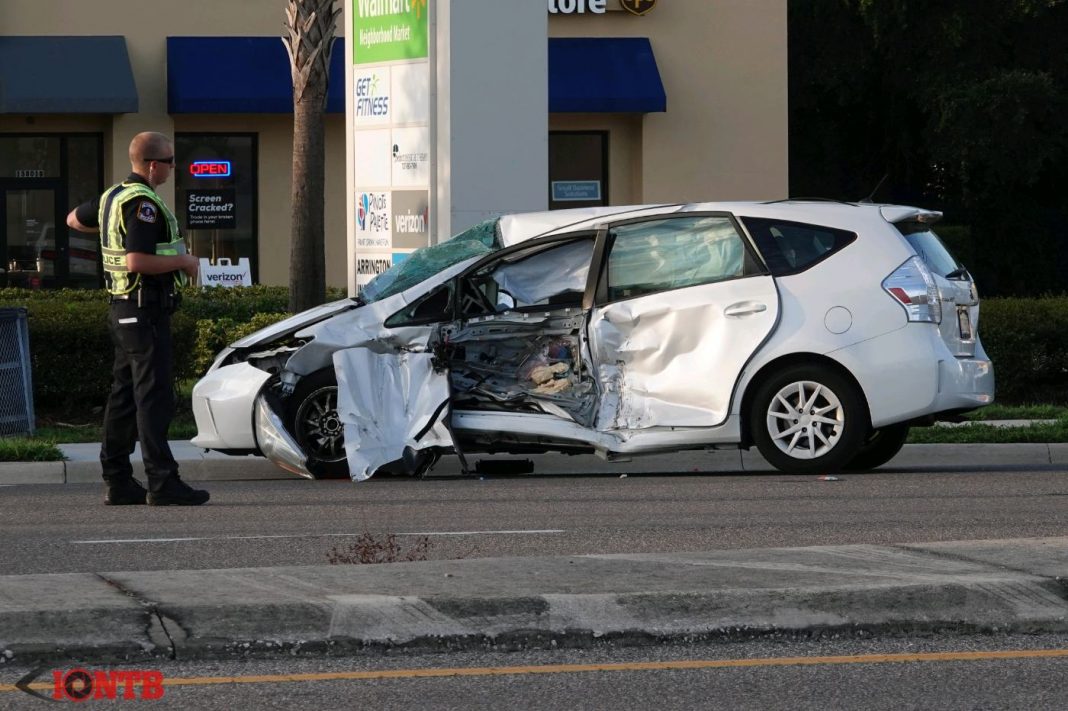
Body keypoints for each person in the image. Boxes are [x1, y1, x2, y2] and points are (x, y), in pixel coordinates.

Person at [67, 131, 209, 506]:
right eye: (169, 161)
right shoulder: (142, 204)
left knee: (125, 397)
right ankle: (163, 481)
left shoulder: (113, 197)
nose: (172, 167)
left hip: (123, 309)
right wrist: (185, 261)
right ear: (152, 165)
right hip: (145, 311)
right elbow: (137, 261)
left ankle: (117, 480)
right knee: (153, 397)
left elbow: (72, 220)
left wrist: (108, 230)